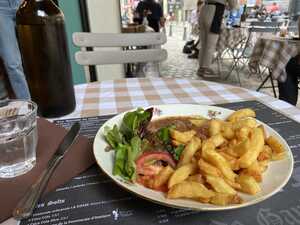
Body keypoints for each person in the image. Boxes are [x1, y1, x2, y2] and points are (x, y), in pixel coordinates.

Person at [197, 0, 238, 77]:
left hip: (204, 9)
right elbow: (234, 5)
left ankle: (201, 68)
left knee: (203, 44)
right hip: (215, 11)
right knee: (210, 44)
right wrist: (230, 7)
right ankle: (205, 68)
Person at [0, 0, 30, 100]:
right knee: (12, 63)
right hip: (1, 8)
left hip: (24, 3)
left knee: (37, 55)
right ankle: (28, 106)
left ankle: (47, 100)